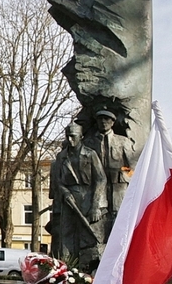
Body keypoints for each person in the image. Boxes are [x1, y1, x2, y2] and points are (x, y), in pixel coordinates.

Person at [49, 123, 106, 272]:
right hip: (68, 199)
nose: (70, 139)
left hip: (87, 197)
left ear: (81, 136)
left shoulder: (90, 154)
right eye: (67, 136)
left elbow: (100, 179)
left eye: (73, 136)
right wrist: (65, 192)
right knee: (66, 233)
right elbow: (58, 181)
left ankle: (87, 270)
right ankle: (67, 269)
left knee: (88, 235)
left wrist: (95, 206)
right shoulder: (61, 156)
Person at [84, 108, 135, 241]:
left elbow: (132, 166)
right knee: (99, 214)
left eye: (107, 119)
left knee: (119, 214)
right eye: (100, 119)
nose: (103, 122)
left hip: (119, 185)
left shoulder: (123, 141)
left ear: (112, 122)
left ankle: (118, 244)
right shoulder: (89, 142)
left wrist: (125, 176)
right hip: (97, 185)